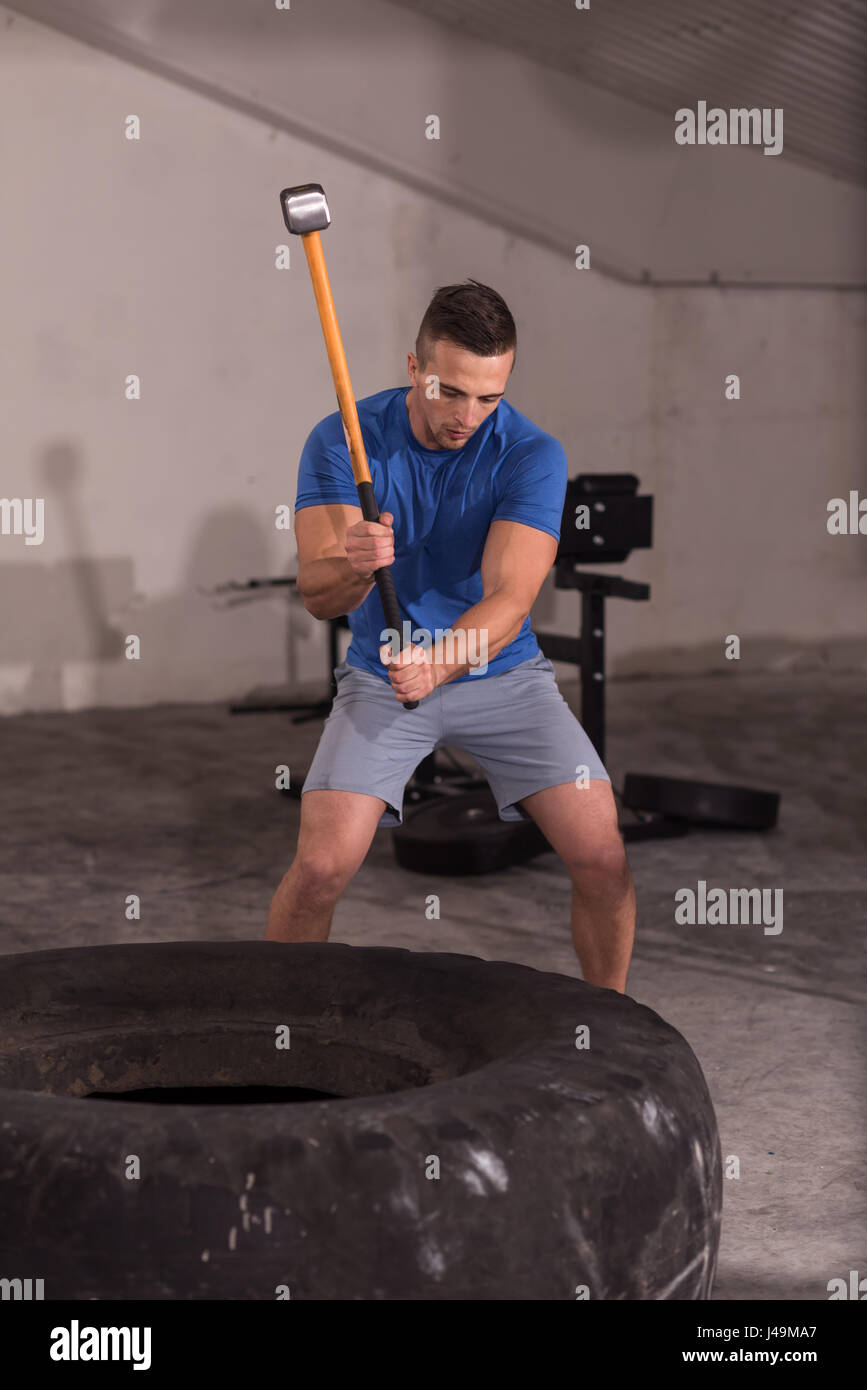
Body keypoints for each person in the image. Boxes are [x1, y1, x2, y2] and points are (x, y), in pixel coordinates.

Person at [266, 279, 635, 992]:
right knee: (318, 870)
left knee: (602, 855)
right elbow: (317, 595)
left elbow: (511, 595)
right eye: (450, 392)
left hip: (502, 677)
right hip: (381, 680)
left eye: (488, 396)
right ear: (415, 367)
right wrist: (354, 561)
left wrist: (439, 664)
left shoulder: (529, 454)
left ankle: (609, 1020)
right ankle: (281, 1026)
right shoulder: (345, 437)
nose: (468, 416)